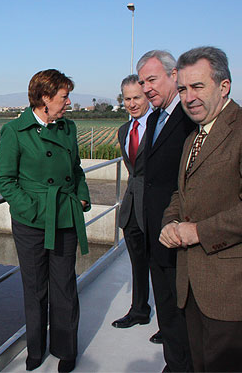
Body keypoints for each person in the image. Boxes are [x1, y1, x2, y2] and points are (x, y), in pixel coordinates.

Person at [160, 46, 242, 372]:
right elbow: (182, 193)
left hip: (236, 290)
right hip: (194, 287)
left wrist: (197, 231)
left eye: (198, 87)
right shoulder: (194, 137)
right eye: (183, 89)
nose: (189, 97)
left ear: (224, 86)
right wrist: (170, 223)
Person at [0, 69, 91, 373]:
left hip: (64, 217)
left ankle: (66, 350)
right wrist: (33, 210)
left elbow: (75, 170)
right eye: (64, 96)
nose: (69, 102)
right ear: (45, 98)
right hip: (30, 223)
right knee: (35, 288)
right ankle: (35, 349)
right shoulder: (15, 132)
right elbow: (5, 180)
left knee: (64, 287)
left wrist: (82, 196)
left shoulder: (68, 128)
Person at [138, 50, 195, 371]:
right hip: (154, 232)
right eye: (143, 81)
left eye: (152, 79)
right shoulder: (156, 117)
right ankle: (174, 363)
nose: (146, 88)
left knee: (182, 307)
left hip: (178, 230)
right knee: (166, 306)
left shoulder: (189, 118)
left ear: (174, 76)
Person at [111, 75, 155, 330]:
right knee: (138, 264)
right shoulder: (124, 130)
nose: (132, 103)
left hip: (155, 207)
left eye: (137, 97)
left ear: (148, 96)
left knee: (162, 266)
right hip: (132, 208)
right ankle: (139, 310)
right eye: (127, 99)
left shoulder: (162, 125)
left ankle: (171, 324)